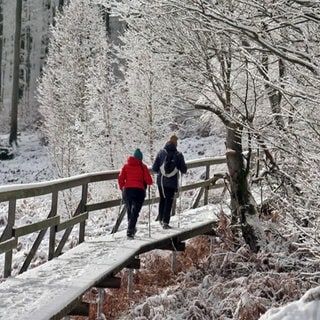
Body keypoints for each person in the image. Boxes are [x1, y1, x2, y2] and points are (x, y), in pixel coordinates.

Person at [152, 135, 187, 229]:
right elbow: (184, 169)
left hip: (161, 182)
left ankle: (160, 219)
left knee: (162, 199)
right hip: (171, 182)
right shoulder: (178, 155)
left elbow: (154, 168)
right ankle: (165, 222)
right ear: (176, 144)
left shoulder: (161, 152)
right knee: (169, 201)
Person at [118, 148, 153, 239]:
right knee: (135, 211)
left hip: (127, 190)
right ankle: (130, 230)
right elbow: (149, 181)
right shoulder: (142, 166)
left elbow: (120, 178)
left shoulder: (125, 166)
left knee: (130, 210)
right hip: (139, 191)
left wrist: (122, 187)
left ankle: (131, 229)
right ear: (140, 159)